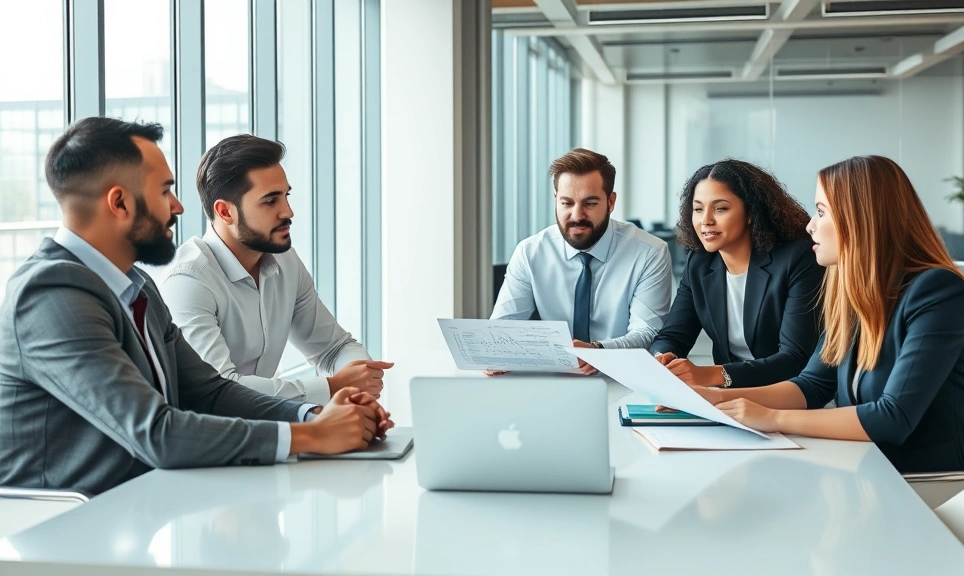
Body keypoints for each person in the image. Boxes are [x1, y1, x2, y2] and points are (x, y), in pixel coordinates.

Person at [0, 118, 393, 494]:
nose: (179, 207)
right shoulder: (50, 293)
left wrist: (316, 415)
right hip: (63, 529)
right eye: (164, 191)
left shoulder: (137, 287)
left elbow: (211, 394)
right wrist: (312, 435)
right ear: (119, 203)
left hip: (137, 506)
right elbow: (156, 432)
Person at [689, 155, 964, 474]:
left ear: (860, 219)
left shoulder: (938, 291)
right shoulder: (854, 294)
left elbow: (893, 418)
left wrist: (772, 418)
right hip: (864, 462)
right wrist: (712, 401)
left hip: (920, 476)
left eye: (820, 212)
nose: (810, 225)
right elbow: (812, 385)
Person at [160, 134, 389, 405]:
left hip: (272, 430)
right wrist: (332, 386)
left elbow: (333, 348)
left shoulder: (284, 261)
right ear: (225, 212)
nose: (288, 211)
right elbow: (220, 390)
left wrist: (358, 386)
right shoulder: (188, 281)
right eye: (270, 201)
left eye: (285, 196)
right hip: (214, 440)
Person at [491, 148, 672, 373]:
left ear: (611, 201)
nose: (577, 216)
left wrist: (598, 351)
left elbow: (647, 332)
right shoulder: (530, 252)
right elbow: (502, 329)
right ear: (556, 199)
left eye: (590, 203)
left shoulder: (649, 252)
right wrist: (494, 353)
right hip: (552, 379)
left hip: (623, 376)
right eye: (567, 203)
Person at [650, 159, 824, 388]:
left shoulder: (798, 258)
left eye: (720, 208)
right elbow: (672, 336)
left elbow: (795, 359)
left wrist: (711, 375)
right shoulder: (700, 262)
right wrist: (664, 358)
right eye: (698, 209)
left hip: (787, 395)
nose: (706, 221)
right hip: (727, 395)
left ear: (751, 213)